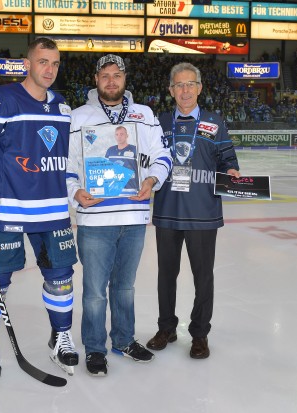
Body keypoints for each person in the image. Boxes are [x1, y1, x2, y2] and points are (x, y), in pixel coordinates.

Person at [0, 38, 78, 386]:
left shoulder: (63, 106)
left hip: (51, 209)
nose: (49, 69)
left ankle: (61, 336)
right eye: (42, 62)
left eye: (55, 63)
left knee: (61, 278)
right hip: (5, 209)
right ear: (27, 63)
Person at [67, 54, 172, 376]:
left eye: (117, 75)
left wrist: (153, 180)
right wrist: (75, 192)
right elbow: (67, 164)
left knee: (124, 288)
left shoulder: (145, 114)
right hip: (95, 219)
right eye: (105, 76)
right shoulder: (78, 117)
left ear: (125, 79)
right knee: (96, 291)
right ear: (95, 79)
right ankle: (95, 348)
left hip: (134, 216)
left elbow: (161, 153)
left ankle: (123, 340)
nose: (111, 81)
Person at [146, 62, 240, 359]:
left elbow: (228, 159)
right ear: (171, 90)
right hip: (167, 211)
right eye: (179, 85)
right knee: (165, 276)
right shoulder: (157, 122)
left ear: (199, 88)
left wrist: (233, 171)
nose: (185, 90)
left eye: (190, 84)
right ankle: (167, 328)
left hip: (203, 213)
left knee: (203, 277)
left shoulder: (215, 122)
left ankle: (199, 334)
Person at [104, 125, 138, 192]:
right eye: (117, 134)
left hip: (131, 189)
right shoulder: (110, 150)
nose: (119, 137)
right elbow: (106, 168)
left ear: (127, 136)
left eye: (121, 134)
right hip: (114, 189)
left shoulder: (134, 149)